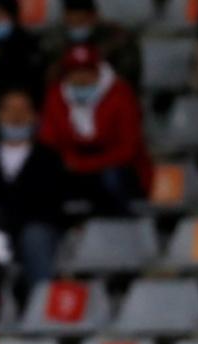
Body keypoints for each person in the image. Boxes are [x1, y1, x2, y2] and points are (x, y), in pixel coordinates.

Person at [0, 89, 66, 299]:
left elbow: (53, 203)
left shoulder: (49, 158)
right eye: (9, 110)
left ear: (34, 116)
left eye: (23, 110)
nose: (16, 116)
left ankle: (42, 306)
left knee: (35, 237)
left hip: (36, 227)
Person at [37, 44, 151, 217]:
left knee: (111, 178)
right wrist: (70, 162)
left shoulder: (120, 94)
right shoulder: (56, 95)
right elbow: (48, 141)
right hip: (73, 169)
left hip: (116, 168)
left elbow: (128, 148)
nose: (81, 78)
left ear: (98, 71)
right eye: (75, 72)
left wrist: (85, 164)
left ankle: (120, 228)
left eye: (87, 71)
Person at [39, 0, 141, 87]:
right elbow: (47, 75)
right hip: (65, 95)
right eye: (71, 21)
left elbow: (128, 75)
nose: (76, 26)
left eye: (81, 21)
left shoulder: (117, 38)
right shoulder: (54, 39)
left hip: (108, 93)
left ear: (94, 17)